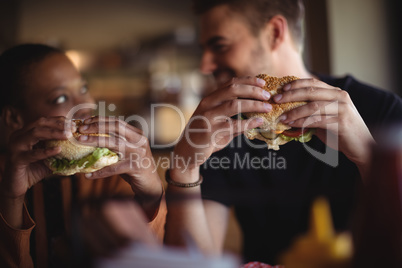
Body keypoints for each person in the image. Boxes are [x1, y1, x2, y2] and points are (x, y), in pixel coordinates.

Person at [164, 0, 402, 265]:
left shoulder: (382, 111)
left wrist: (370, 158)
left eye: (219, 45)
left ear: (275, 32)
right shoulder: (224, 126)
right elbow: (193, 261)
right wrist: (184, 166)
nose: (205, 65)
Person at [0, 44, 166, 268]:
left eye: (84, 88)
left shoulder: (110, 174)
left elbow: (151, 261)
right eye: (60, 98)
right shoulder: (5, 181)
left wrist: (151, 193)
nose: (87, 104)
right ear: (13, 118)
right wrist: (10, 200)